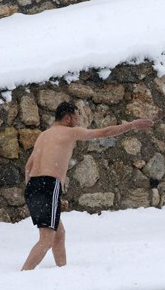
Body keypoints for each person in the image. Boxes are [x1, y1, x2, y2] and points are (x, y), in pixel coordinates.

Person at [21, 102, 154, 271]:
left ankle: (62, 270)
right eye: (77, 117)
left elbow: (28, 166)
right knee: (47, 239)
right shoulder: (70, 132)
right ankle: (24, 274)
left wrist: (31, 193)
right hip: (48, 184)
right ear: (67, 118)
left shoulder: (43, 136)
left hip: (33, 184)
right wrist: (132, 125)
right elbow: (104, 132)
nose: (78, 122)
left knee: (58, 234)